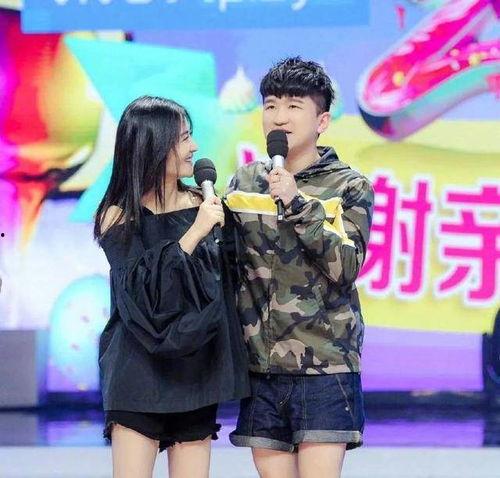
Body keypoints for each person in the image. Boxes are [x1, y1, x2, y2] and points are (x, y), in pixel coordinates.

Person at [224, 58, 374, 478]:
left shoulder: (349, 186)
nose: (279, 117)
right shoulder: (244, 183)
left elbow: (346, 267)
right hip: (261, 368)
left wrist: (296, 203)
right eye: (271, 105)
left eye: (294, 106)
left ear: (322, 120)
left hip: (325, 366)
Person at [94, 95, 249, 478]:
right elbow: (144, 292)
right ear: (152, 145)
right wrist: (195, 232)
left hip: (197, 368)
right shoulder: (118, 215)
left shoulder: (205, 203)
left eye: (191, 135)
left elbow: (225, 282)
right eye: (183, 138)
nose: (194, 147)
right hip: (138, 370)